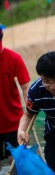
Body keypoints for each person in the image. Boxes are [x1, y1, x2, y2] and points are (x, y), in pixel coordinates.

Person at [0, 26, 30, 166]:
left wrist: (30, 112)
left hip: (13, 123)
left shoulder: (13, 58)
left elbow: (25, 87)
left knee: (16, 162)